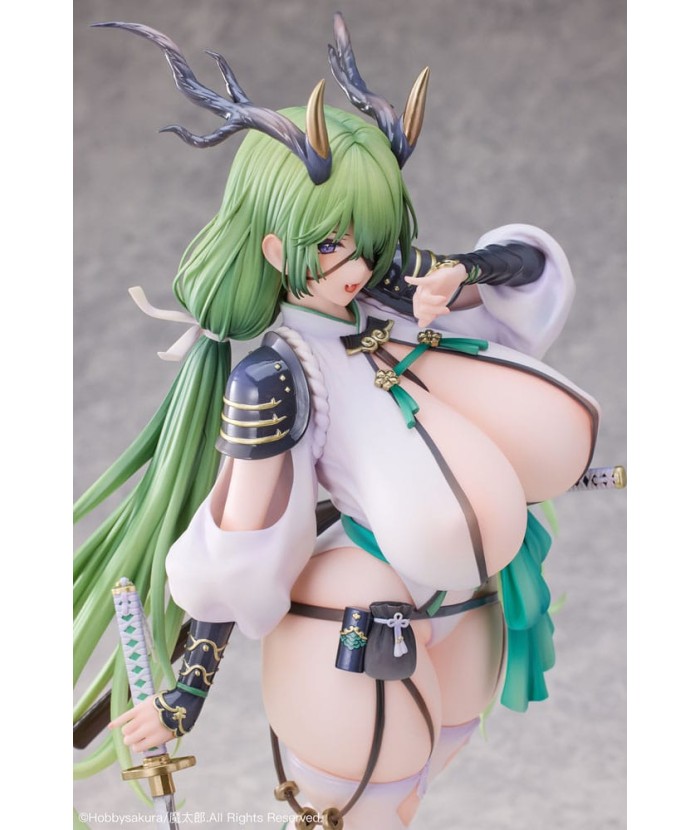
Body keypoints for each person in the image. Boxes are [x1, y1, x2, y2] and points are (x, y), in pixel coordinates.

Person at [74, 16, 599, 830]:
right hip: (360, 603)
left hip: (468, 598)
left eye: (370, 239)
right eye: (331, 247)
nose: (356, 266)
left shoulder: (397, 295)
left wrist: (459, 269)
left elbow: (526, 273)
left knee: (424, 777)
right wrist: (184, 696)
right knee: (365, 804)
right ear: (274, 247)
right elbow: (244, 542)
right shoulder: (275, 376)